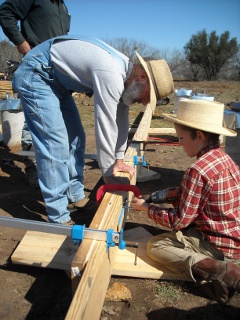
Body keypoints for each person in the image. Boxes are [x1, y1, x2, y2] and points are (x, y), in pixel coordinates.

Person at [12, 35, 174, 225]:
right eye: (149, 96)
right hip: (37, 74)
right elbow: (105, 126)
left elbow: (121, 119)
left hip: (57, 82)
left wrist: (119, 159)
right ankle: (58, 216)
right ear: (142, 77)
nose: (145, 102)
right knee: (54, 142)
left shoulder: (126, 78)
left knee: (77, 137)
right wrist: (109, 176)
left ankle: (75, 194)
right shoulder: (111, 73)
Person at [131, 99, 240, 304]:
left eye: (181, 138)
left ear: (199, 135)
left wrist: (147, 208)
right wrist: (155, 197)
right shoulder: (224, 159)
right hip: (234, 239)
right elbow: (190, 194)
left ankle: (218, 271)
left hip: (218, 245)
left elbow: (179, 222)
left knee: (156, 245)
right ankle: (225, 265)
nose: (179, 144)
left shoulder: (197, 169)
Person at [0, 0, 71, 188]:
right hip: (36, 68)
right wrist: (22, 44)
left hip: (58, 72)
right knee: (35, 121)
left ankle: (59, 173)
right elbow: (5, 12)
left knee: (57, 125)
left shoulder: (62, 7)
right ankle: (33, 169)